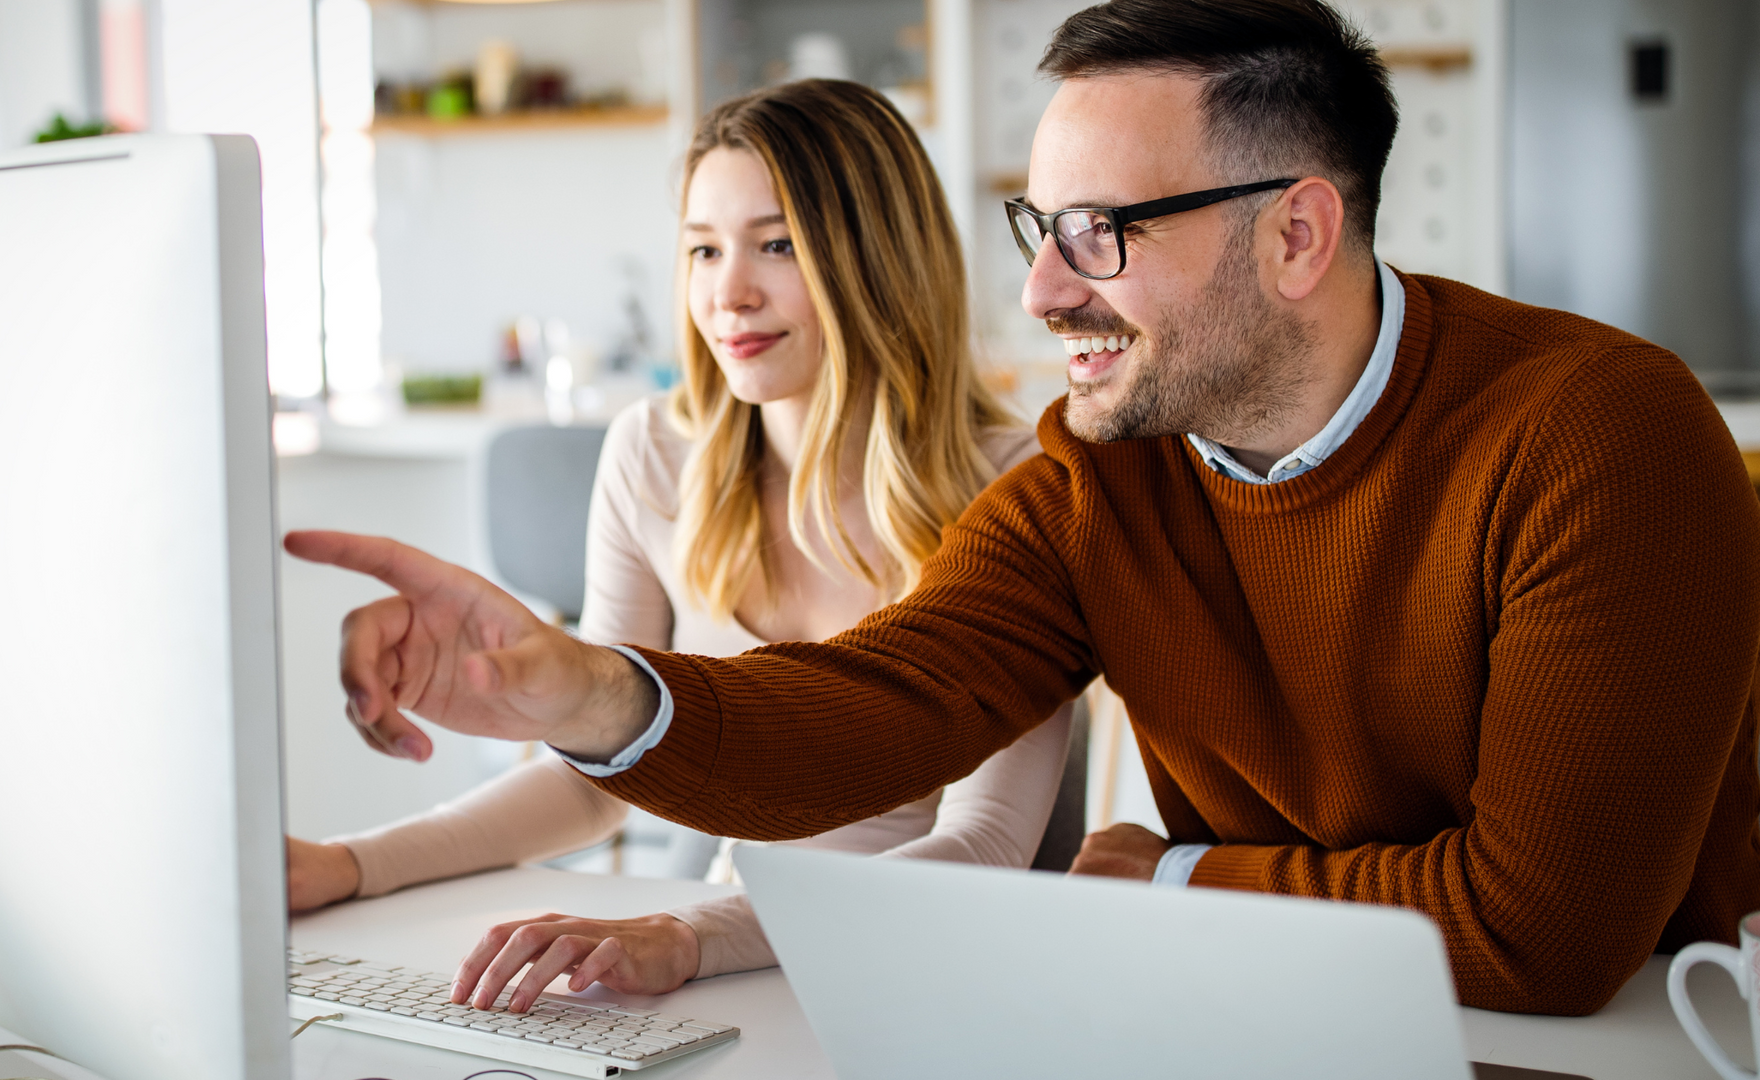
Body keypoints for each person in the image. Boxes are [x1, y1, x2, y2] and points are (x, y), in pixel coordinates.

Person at [286, 0, 1760, 1017]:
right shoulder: (1096, 472)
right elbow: (871, 710)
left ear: (1298, 232)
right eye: (1037, 231)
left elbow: (1544, 935)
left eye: (1099, 235)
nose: (1047, 291)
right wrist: (589, 689)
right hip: (1293, 1002)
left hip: (1628, 1033)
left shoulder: (1600, 434)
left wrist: (1172, 867)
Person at [284, 78, 1073, 1010]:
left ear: (878, 257)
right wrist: (350, 865)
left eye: (777, 245)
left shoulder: (1022, 484)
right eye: (703, 249)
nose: (727, 293)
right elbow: (590, 781)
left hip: (920, 972)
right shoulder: (655, 455)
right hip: (731, 960)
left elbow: (982, 846)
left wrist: (694, 936)